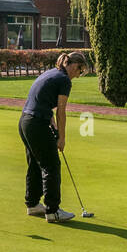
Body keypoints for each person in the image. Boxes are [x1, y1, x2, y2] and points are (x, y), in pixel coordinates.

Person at [19, 51, 88, 223]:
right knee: (51, 165)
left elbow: (43, 101)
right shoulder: (64, 79)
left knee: (36, 164)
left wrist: (53, 125)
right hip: (36, 123)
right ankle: (52, 211)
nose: (78, 76)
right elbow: (61, 111)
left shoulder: (52, 73)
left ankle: (33, 204)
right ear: (74, 65)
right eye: (80, 71)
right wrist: (62, 138)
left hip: (25, 122)